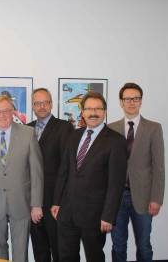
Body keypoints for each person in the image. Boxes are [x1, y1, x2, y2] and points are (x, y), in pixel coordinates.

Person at [51, 91, 127, 262]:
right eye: (89, 108)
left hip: (95, 214)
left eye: (98, 109)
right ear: (82, 112)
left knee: (94, 257)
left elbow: (116, 183)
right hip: (67, 211)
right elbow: (64, 170)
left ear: (105, 111)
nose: (93, 113)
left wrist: (108, 215)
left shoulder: (116, 141)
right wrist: (56, 201)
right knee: (66, 256)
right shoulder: (74, 135)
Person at [0, 94, 44, 262]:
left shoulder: (28, 133)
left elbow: (37, 172)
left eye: (6, 111)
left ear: (13, 112)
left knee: (21, 252)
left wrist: (37, 205)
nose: (2, 115)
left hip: (22, 203)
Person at [109, 83, 165, 262]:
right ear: (121, 102)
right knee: (118, 245)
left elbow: (159, 166)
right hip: (117, 199)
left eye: (136, 98)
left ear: (141, 101)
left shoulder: (154, 128)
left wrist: (156, 198)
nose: (131, 102)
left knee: (144, 245)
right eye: (127, 99)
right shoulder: (111, 128)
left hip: (144, 197)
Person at [28, 88, 73, 262]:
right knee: (39, 250)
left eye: (45, 102)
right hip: (32, 200)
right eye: (38, 103)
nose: (42, 106)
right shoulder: (26, 129)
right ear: (32, 106)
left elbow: (67, 167)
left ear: (51, 104)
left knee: (58, 249)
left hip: (54, 202)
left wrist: (60, 201)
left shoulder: (64, 128)